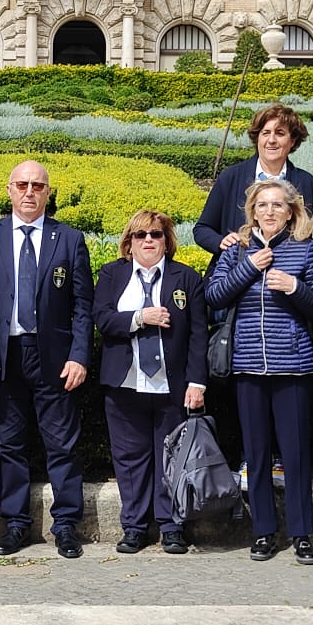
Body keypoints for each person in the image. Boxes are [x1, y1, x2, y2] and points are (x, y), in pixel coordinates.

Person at [204, 179, 313, 564]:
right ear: (252, 211)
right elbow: (212, 297)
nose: (270, 211)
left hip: (292, 366)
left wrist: (295, 287)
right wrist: (247, 269)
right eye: (263, 205)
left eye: (278, 205)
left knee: (294, 455)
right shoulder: (237, 249)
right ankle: (262, 532)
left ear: (292, 211)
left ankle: (302, 534)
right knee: (255, 455)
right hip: (247, 366)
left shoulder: (305, 249)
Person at [0, 160, 94, 558]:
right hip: (4, 355)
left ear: (49, 193)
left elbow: (83, 306)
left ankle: (65, 525)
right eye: (22, 185)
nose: (30, 192)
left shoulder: (69, 239)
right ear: (8, 190)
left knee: (61, 444)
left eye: (38, 186)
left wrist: (80, 355)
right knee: (9, 443)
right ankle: (16, 525)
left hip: (55, 358)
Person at [93, 211, 209, 554]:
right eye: (140, 234)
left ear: (167, 241)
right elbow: (101, 318)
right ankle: (134, 527)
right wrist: (140, 318)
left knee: (170, 458)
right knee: (130, 459)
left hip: (171, 386)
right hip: (125, 383)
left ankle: (172, 525)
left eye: (156, 234)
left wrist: (197, 382)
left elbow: (199, 334)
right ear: (128, 243)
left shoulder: (186, 278)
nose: (148, 240)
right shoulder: (112, 275)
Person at [193, 103, 313, 256]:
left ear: (292, 141)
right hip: (235, 270)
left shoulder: (307, 183)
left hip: (286, 273)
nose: (271, 140)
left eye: (279, 133)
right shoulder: (230, 177)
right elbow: (202, 229)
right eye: (265, 133)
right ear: (257, 138)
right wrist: (221, 242)